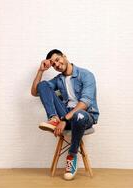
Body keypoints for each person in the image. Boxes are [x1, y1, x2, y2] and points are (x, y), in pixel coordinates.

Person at [31, 49, 99, 180]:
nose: (56, 64)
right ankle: (53, 118)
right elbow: (35, 91)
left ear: (64, 56)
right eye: (53, 64)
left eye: (57, 60)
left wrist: (64, 120)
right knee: (43, 85)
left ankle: (72, 156)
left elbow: (84, 103)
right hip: (66, 114)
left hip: (85, 115)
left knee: (79, 115)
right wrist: (41, 71)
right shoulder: (59, 79)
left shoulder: (86, 75)